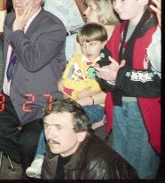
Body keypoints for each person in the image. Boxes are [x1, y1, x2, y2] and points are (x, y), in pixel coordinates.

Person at [0, 0, 66, 172]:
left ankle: (33, 169)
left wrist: (18, 31)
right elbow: (7, 57)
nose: (17, 0)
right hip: (11, 98)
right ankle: (32, 164)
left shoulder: (53, 26)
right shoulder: (11, 17)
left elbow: (32, 62)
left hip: (40, 101)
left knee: (29, 140)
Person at [95, 0, 161, 179]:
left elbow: (156, 81)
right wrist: (107, 75)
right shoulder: (121, 28)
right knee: (121, 168)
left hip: (142, 111)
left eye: (123, 0)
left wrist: (119, 75)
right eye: (114, 0)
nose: (117, 6)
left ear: (142, 0)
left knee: (139, 171)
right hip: (119, 105)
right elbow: (105, 57)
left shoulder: (153, 31)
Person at [27, 21, 111, 177]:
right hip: (72, 103)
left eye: (92, 44)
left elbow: (100, 89)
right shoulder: (76, 61)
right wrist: (77, 91)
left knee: (66, 122)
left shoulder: (105, 63)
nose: (88, 49)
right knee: (52, 118)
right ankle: (39, 159)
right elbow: (65, 84)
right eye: (84, 45)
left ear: (103, 43)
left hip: (96, 107)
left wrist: (81, 91)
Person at [40, 99, 138, 179]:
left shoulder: (99, 168)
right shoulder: (56, 145)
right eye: (47, 126)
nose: (50, 134)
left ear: (81, 134)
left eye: (59, 127)